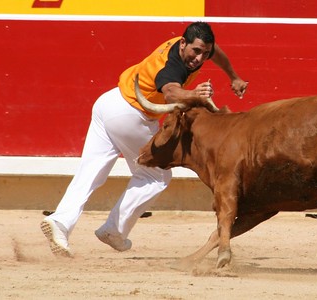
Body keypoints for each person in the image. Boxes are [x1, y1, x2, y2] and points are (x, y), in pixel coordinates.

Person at [40, 21, 248, 257]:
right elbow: (170, 91)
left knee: (90, 172)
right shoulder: (173, 67)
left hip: (108, 102)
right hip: (132, 114)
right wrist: (194, 94)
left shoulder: (191, 46)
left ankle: (60, 222)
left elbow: (216, 52)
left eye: (205, 53)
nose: (200, 59)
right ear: (183, 44)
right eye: (196, 51)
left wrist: (233, 76)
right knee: (156, 175)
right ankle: (114, 230)